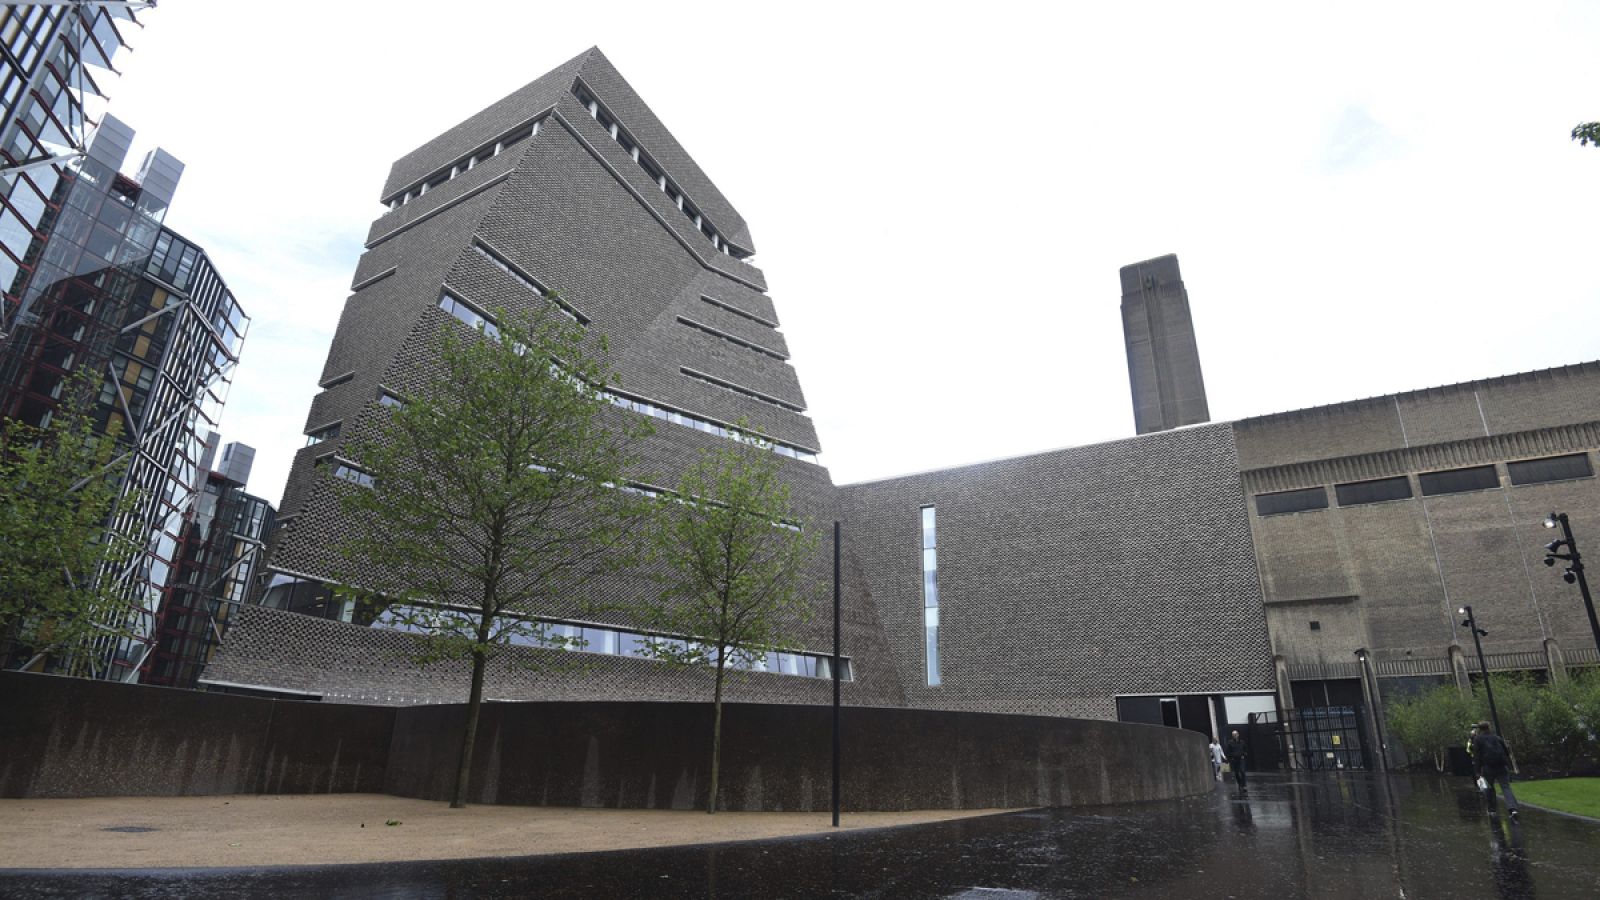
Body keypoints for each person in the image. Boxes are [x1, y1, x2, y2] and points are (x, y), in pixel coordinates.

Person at [1470, 720, 1519, 820]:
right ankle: (1512, 808)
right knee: (1506, 787)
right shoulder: (1497, 738)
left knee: (1488, 788)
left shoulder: (1478, 740)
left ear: (1479, 729)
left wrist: (1477, 772)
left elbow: (1477, 756)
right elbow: (1506, 752)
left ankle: (1492, 809)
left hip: (1487, 768)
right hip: (1501, 766)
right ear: (1489, 727)